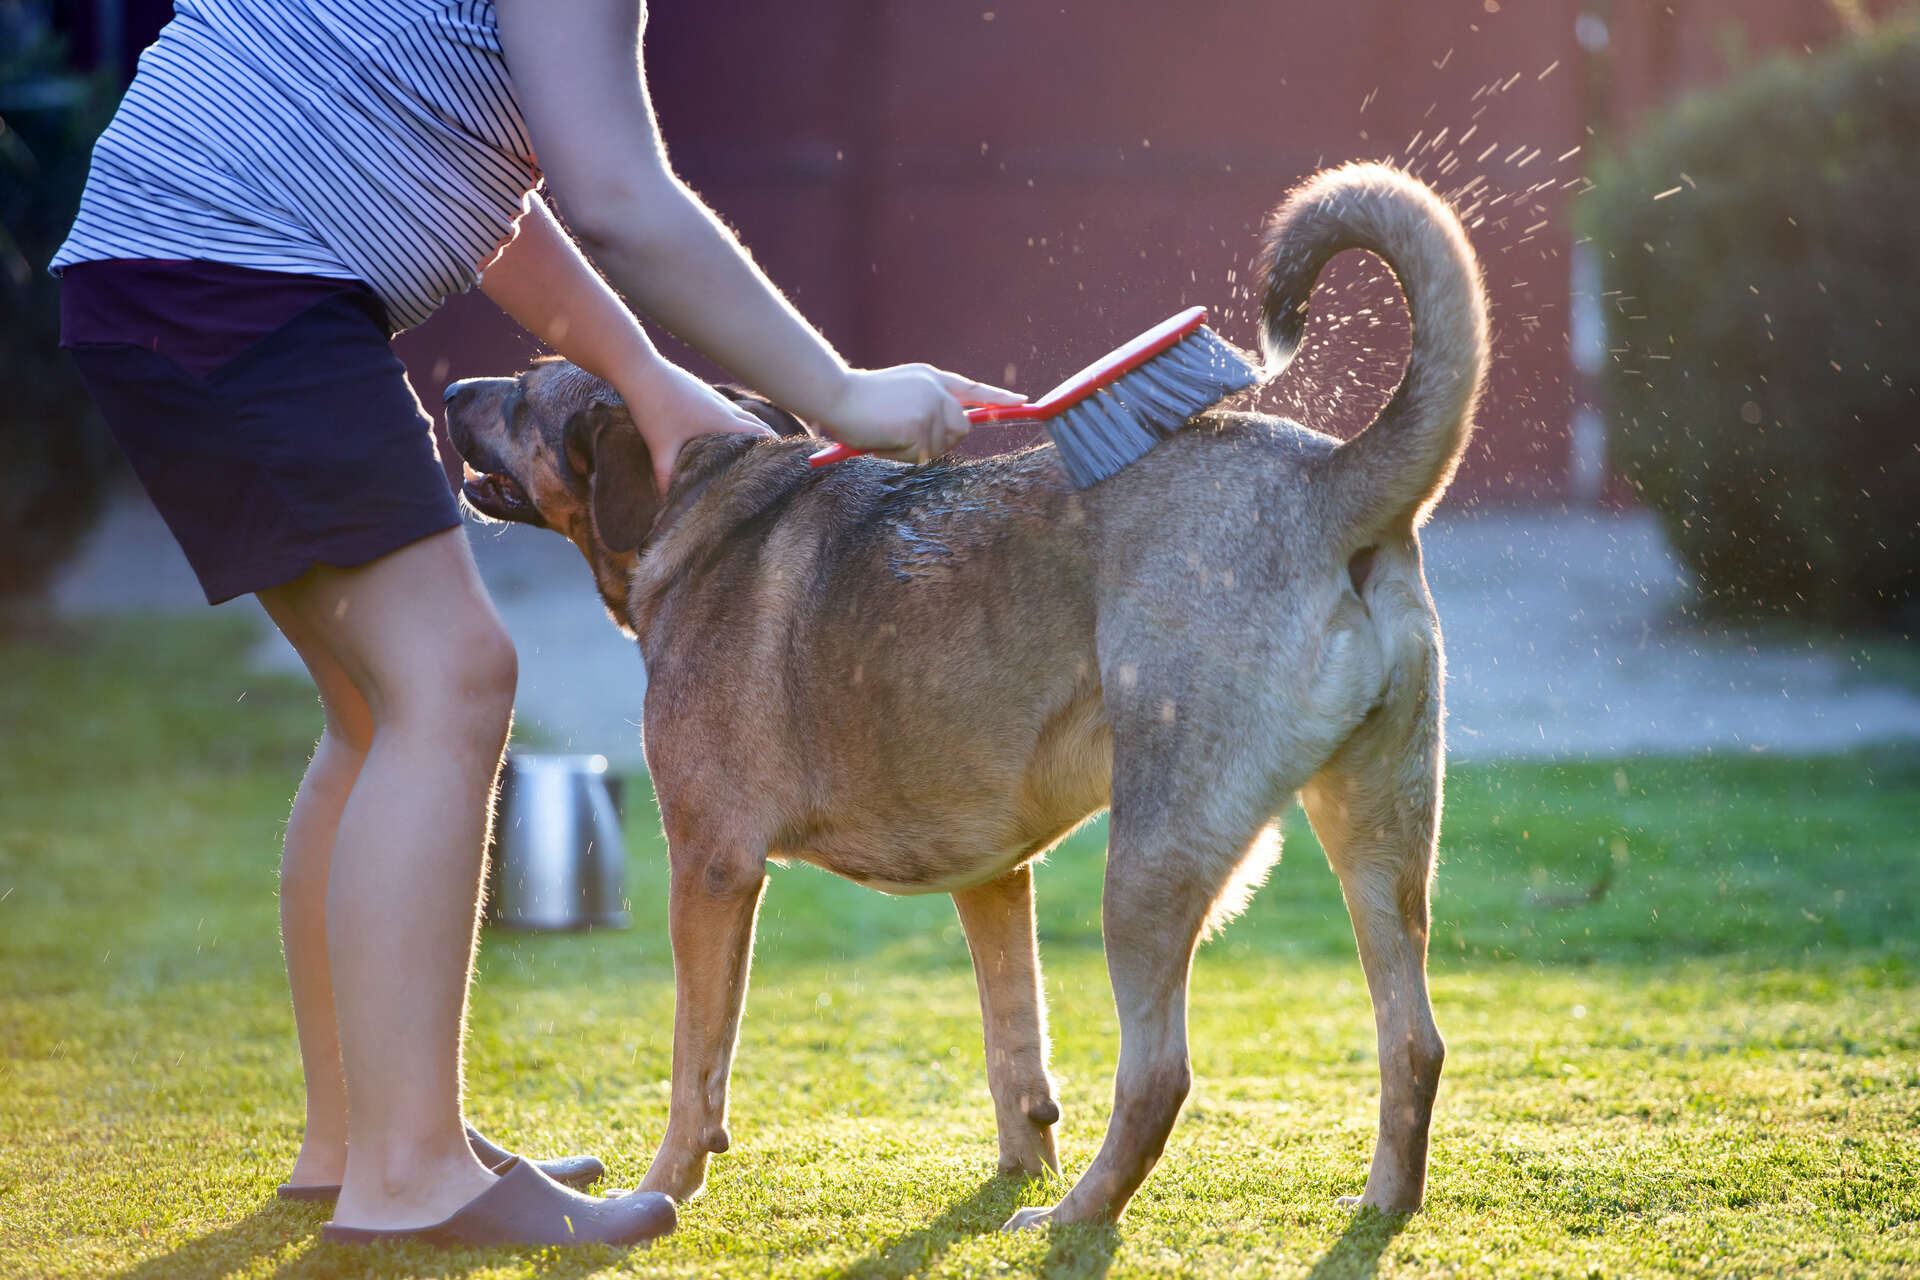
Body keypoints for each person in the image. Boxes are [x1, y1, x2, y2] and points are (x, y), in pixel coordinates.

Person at [53, 0, 1022, 1248]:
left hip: (171, 262)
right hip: (240, 272)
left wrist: (645, 377)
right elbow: (619, 193)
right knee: (450, 677)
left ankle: (357, 1146)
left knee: (374, 706)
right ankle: (409, 1175)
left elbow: (469, 171)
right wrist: (834, 390)